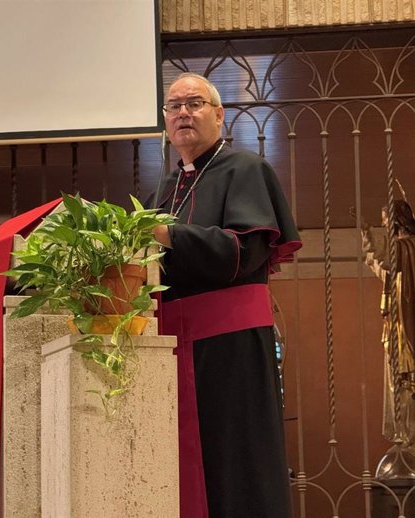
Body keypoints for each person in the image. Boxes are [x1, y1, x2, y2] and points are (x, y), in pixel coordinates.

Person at [149, 73, 302, 518]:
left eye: (194, 103)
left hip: (230, 345)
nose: (182, 113)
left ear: (219, 114)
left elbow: (246, 251)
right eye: (173, 107)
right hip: (176, 347)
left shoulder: (246, 168)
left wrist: (169, 234)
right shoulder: (164, 189)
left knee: (236, 460)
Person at [360, 200, 415, 446]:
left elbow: (384, 258)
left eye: (385, 219)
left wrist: (367, 233)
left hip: (407, 322)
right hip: (397, 322)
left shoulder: (405, 248)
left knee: (405, 373)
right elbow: (383, 268)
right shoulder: (401, 249)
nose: (384, 223)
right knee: (398, 375)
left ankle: (409, 434)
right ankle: (404, 434)